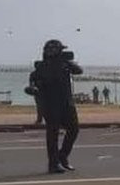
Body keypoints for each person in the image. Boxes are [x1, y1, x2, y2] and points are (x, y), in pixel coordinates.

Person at [29, 40, 83, 173]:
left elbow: (79, 70)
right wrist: (33, 88)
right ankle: (53, 163)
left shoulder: (65, 64)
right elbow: (32, 80)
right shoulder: (42, 66)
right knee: (52, 134)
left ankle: (62, 156)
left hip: (67, 103)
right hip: (51, 105)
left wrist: (68, 61)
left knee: (74, 129)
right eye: (60, 50)